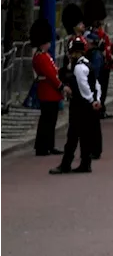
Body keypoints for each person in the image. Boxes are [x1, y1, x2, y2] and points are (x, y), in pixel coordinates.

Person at [50, 35, 100, 175]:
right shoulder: (87, 64)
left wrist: (90, 100)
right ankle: (85, 163)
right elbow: (96, 84)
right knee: (85, 136)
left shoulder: (78, 67)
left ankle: (66, 164)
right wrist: (96, 100)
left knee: (72, 136)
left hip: (79, 105)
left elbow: (83, 87)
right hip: (87, 106)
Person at [30, 19, 64, 156]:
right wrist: (61, 86)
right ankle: (42, 146)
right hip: (48, 91)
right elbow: (50, 75)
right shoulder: (41, 57)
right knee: (47, 120)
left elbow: (54, 71)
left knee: (50, 120)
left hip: (50, 91)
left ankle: (49, 145)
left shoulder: (44, 55)